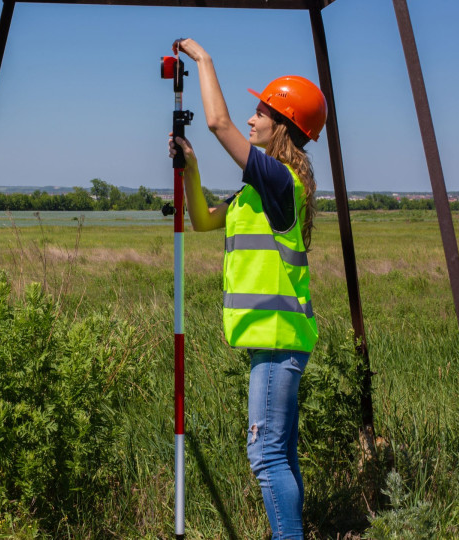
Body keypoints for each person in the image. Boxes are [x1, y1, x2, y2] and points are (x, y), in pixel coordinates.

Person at [168, 38, 326, 540]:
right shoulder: (259, 187)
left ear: (284, 126)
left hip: (278, 341)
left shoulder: (281, 182)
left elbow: (218, 124)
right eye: (254, 110)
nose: (253, 118)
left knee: (264, 454)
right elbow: (202, 221)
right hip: (270, 342)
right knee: (282, 453)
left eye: (262, 111)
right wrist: (192, 169)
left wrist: (204, 61)